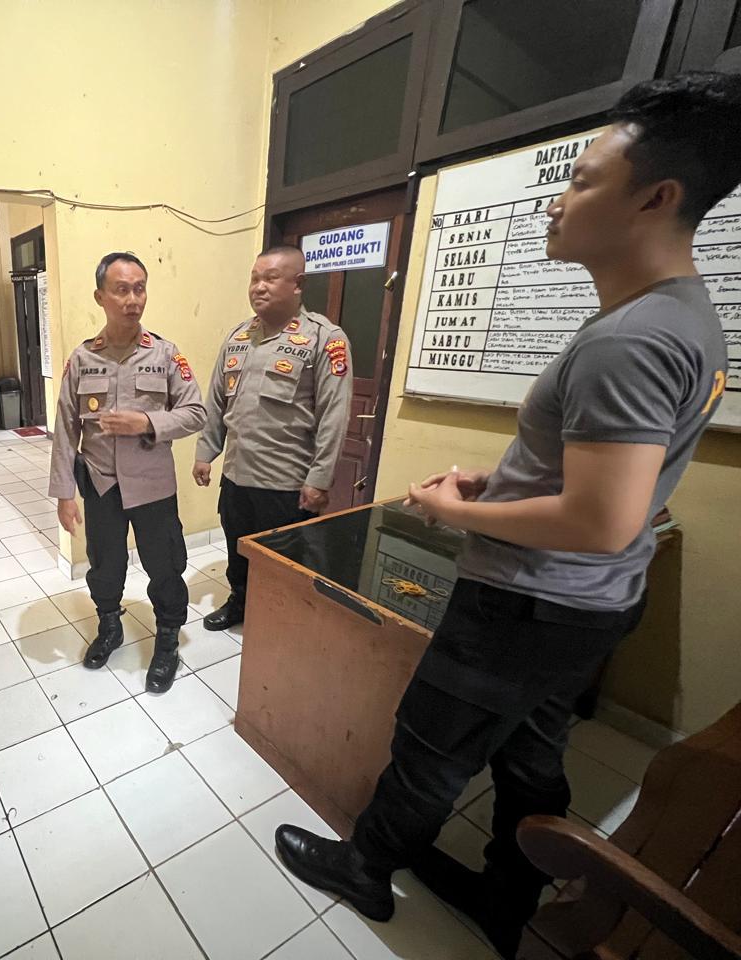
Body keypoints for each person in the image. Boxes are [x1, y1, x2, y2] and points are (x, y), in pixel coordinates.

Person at [273, 71, 739, 959]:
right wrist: (502, 480)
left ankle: (365, 868)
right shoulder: (684, 316)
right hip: (592, 602)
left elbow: (602, 518)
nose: (557, 202)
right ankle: (508, 893)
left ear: (658, 198)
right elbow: (613, 478)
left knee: (431, 745)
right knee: (531, 748)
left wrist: (455, 513)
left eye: (582, 181)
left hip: (530, 601)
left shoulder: (631, 338)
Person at [49, 252, 207, 693]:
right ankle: (110, 626)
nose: (133, 299)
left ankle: (168, 639)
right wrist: (64, 493)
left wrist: (147, 423)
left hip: (153, 485)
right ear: (100, 296)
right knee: (105, 566)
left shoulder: (166, 354)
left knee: (165, 566)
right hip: (101, 484)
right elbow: (65, 427)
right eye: (121, 290)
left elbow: (197, 412)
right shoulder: (83, 358)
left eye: (139, 288)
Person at [192, 245, 352, 631]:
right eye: (254, 278)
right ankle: (240, 602)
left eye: (270, 278)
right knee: (237, 549)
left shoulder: (324, 339)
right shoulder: (238, 337)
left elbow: (334, 416)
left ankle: (281, 622)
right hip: (237, 476)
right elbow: (217, 401)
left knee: (286, 561)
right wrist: (205, 452)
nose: (259, 286)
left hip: (286, 484)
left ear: (298, 284)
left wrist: (319, 479)